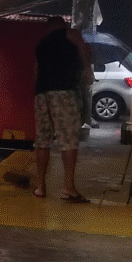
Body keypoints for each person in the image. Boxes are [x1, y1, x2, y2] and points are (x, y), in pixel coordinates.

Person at [32, 17, 91, 203]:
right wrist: (87, 69)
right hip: (63, 93)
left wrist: (39, 91)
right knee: (68, 139)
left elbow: (36, 72)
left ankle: (40, 187)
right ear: (62, 24)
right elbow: (83, 47)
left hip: (42, 94)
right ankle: (68, 187)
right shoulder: (70, 33)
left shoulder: (40, 44)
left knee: (42, 140)